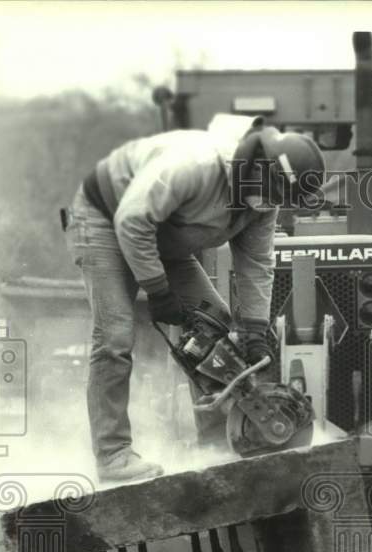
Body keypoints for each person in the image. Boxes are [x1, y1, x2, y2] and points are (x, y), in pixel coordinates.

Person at [64, 121, 325, 482]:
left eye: (281, 199)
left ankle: (217, 448)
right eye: (272, 192)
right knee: (115, 337)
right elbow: (131, 222)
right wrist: (158, 290)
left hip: (161, 236)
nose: (271, 203)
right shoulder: (194, 167)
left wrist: (254, 330)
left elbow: (256, 262)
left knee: (216, 329)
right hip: (104, 220)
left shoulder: (264, 202)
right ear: (257, 169)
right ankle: (113, 454)